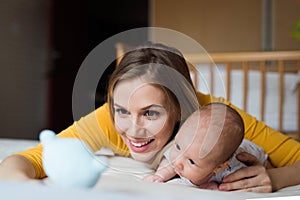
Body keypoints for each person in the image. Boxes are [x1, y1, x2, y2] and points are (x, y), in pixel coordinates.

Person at [0, 42, 300, 193]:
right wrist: (27, 192)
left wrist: (275, 177)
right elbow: (26, 160)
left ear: (182, 108)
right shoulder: (108, 119)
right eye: (122, 110)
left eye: (151, 113)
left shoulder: (217, 121)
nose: (132, 130)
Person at [143, 103, 272, 190]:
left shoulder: (232, 170)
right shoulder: (185, 148)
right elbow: (168, 163)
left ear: (219, 167)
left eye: (192, 161)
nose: (178, 162)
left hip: (251, 151)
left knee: (266, 163)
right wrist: (160, 175)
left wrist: (217, 187)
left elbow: (251, 180)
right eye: (177, 147)